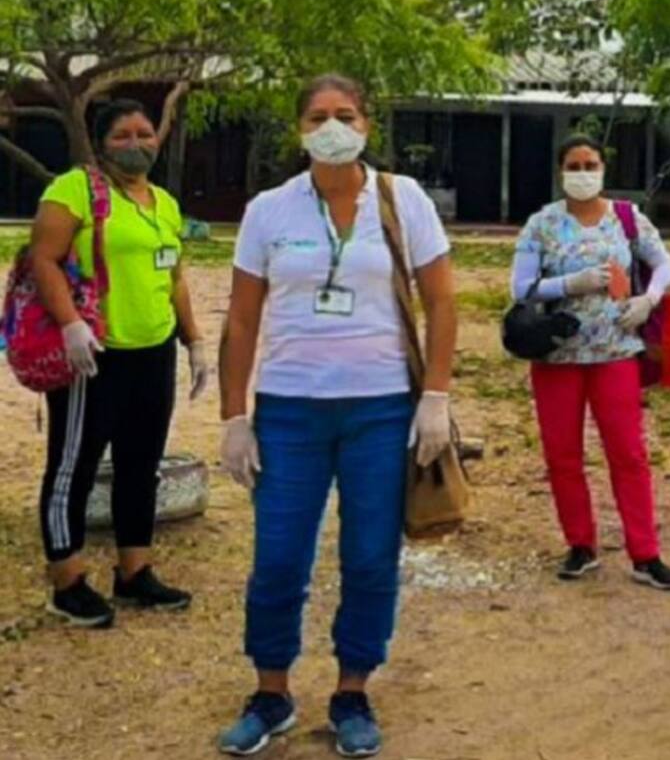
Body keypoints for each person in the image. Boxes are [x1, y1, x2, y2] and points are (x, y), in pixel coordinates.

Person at [216, 74, 456, 757]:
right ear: (299, 130)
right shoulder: (269, 210)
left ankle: (353, 690)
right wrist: (235, 416)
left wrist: (435, 395)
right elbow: (241, 317)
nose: (331, 126)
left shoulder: (401, 199)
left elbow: (441, 301)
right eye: (318, 116)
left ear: (367, 126)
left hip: (380, 408)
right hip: (290, 410)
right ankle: (270, 693)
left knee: (371, 555)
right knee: (278, 557)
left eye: (344, 115)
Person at [29, 98, 207, 629]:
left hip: (152, 352)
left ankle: (134, 571)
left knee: (140, 464)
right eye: (123, 136)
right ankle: (67, 580)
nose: (137, 145)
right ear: (101, 142)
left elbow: (172, 275)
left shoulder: (164, 203)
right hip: (96, 353)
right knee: (73, 467)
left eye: (145, 134)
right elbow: (44, 258)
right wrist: (70, 325)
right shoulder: (73, 190)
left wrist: (193, 341)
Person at [511, 134, 670, 590]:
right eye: (574, 164)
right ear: (560, 170)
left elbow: (664, 262)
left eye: (590, 164)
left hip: (615, 351)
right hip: (557, 354)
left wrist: (650, 298)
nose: (582, 173)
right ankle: (580, 543)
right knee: (563, 454)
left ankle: (645, 553)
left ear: (604, 169)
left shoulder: (625, 218)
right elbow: (521, 287)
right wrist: (570, 284)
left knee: (628, 453)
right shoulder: (542, 224)